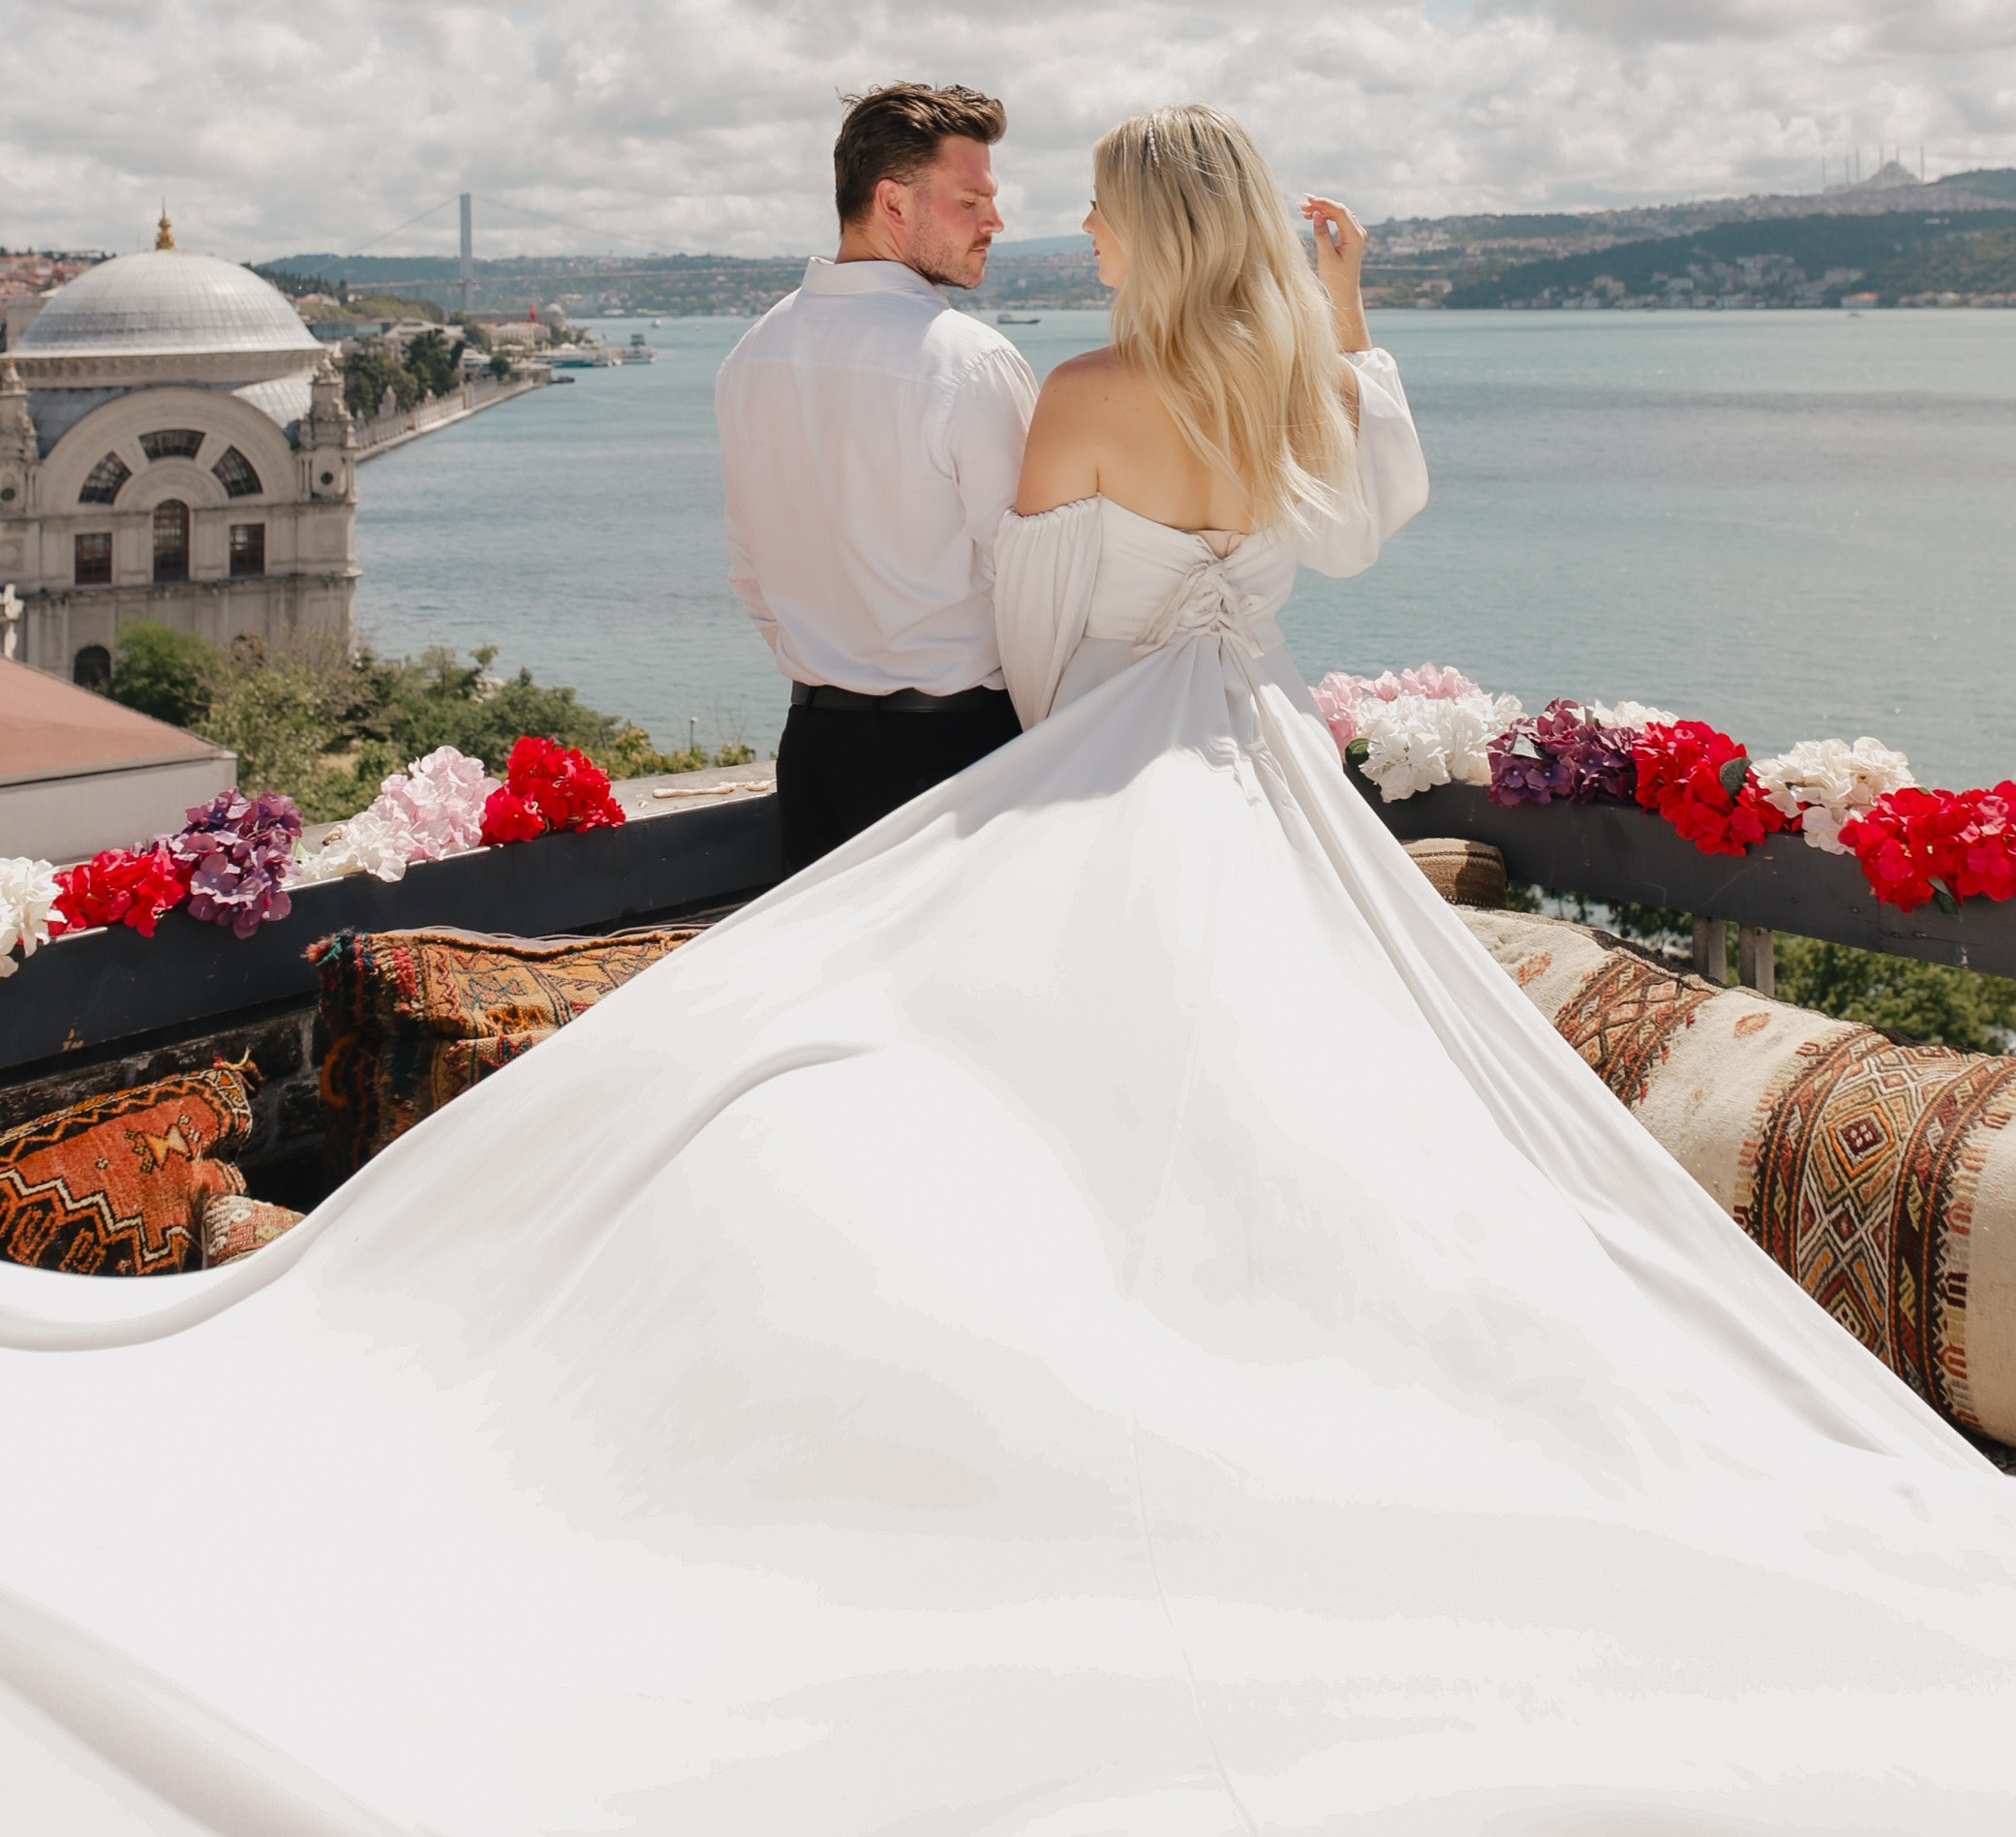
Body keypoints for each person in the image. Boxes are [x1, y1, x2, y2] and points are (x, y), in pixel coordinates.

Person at [5, 107, 2016, 1837]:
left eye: (1110, 210)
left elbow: (1045, 653)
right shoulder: (1293, 391)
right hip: (1273, 789)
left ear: (1157, 230)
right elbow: (1376, 503)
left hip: (1118, 770)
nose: (1079, 233)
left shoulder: (1079, 395)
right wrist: (1351, 311)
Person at [717, 80, 1036, 873]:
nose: (996, 221)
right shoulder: (973, 362)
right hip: (960, 760)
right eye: (971, 199)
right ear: (893, 202)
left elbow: (752, 576)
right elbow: (1035, 586)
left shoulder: (748, 357)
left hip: (812, 757)